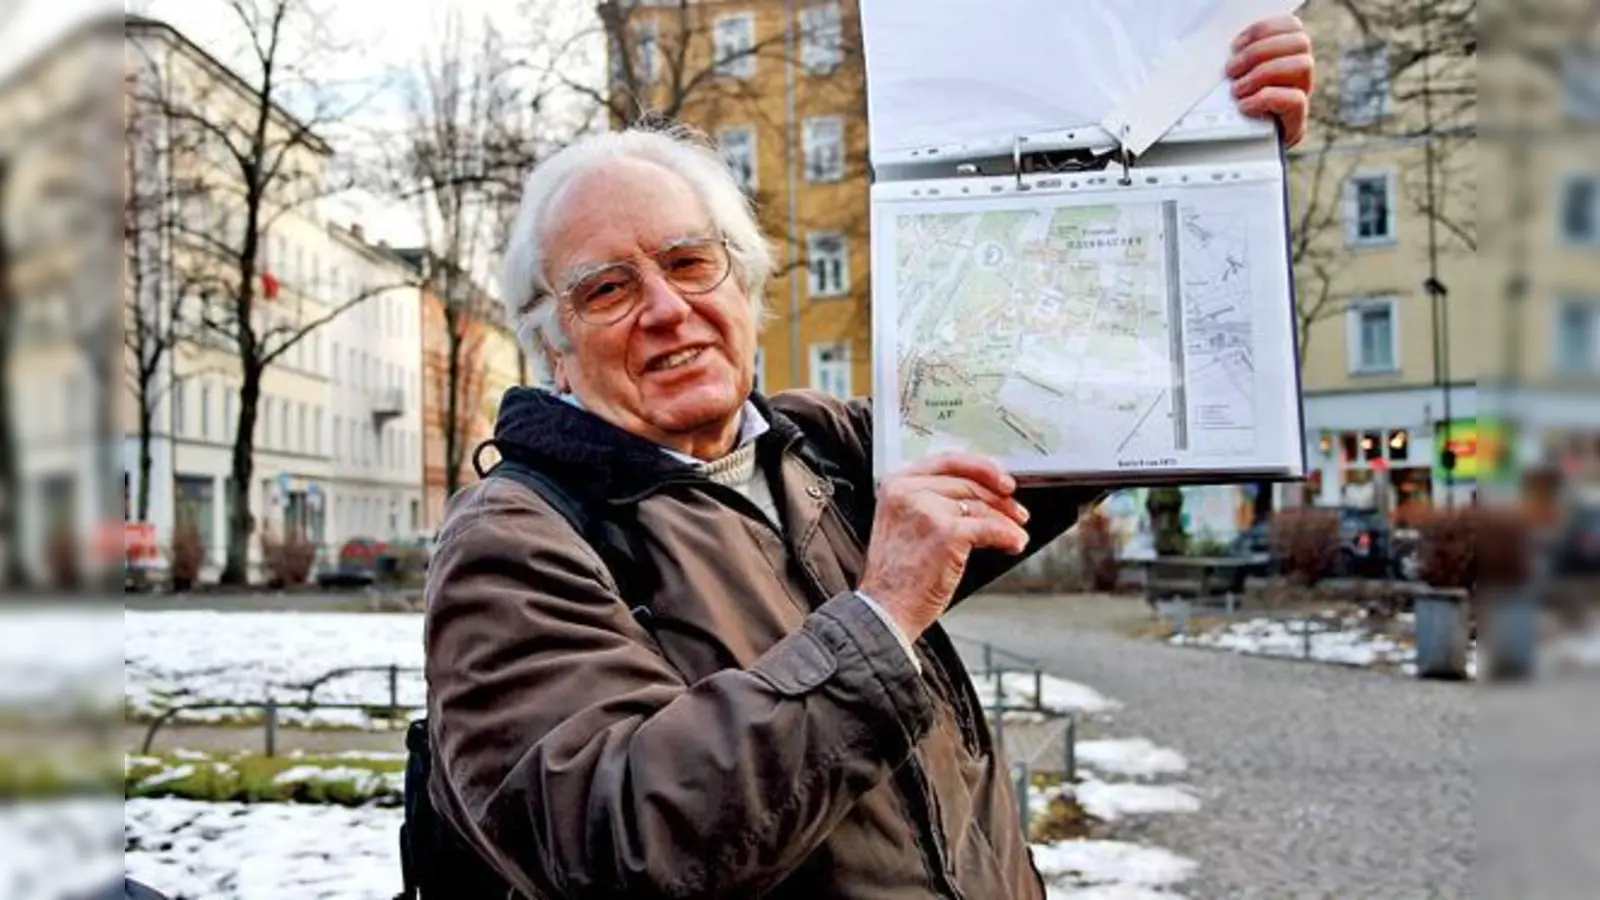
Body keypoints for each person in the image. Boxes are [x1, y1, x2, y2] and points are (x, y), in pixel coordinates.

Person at [424, 16, 1315, 899]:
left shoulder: (822, 450)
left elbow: (1080, 395)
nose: (665, 307)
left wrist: (1212, 155)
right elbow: (611, 846)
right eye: (607, 288)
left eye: (690, 262)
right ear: (553, 347)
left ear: (745, 283)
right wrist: (882, 613)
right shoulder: (514, 541)